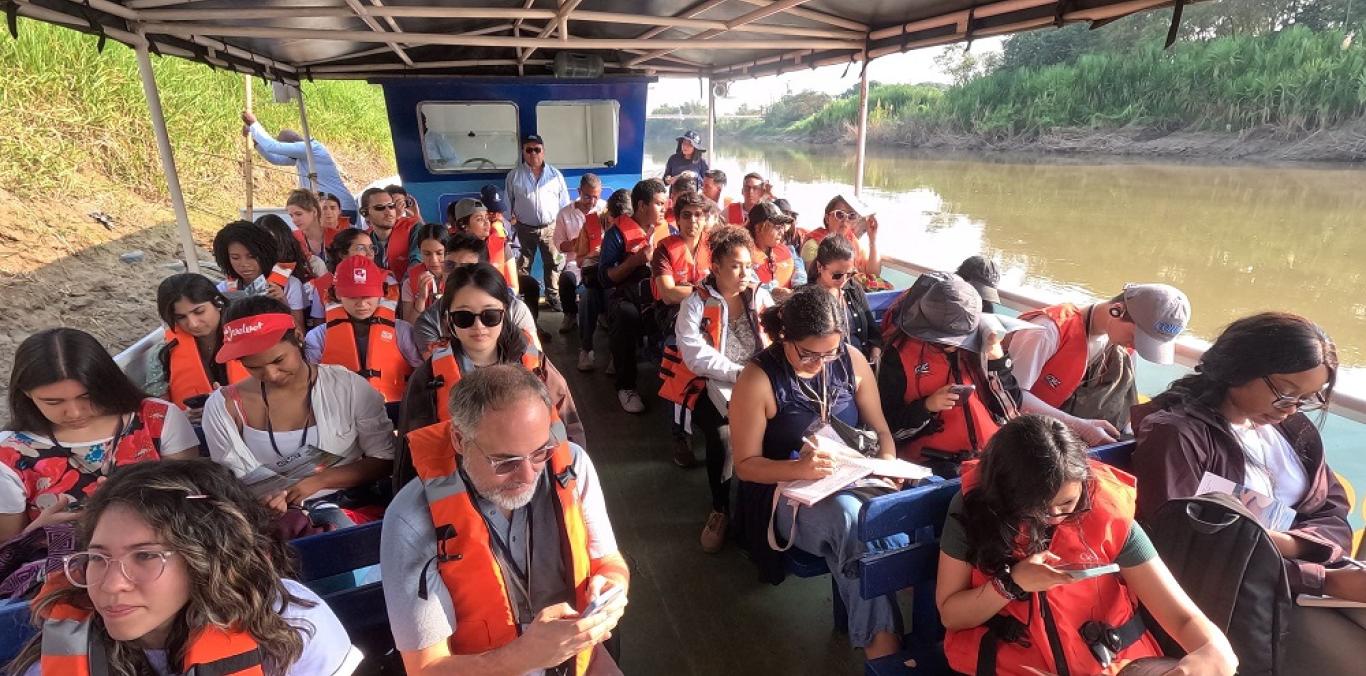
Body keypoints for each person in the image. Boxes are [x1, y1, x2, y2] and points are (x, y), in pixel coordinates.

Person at [1131, 312, 1363, 671]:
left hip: (1304, 572)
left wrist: (1291, 545)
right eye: (1285, 394)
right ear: (1240, 367)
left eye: (1305, 399)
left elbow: (1332, 513)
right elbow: (1185, 554)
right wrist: (1324, 580)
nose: (1290, 410)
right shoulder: (1177, 435)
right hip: (1245, 602)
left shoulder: (1294, 434)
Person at [936, 415, 1237, 675]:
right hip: (1020, 667)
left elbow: (1182, 616)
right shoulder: (973, 510)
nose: (1053, 517)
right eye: (1036, 507)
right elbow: (951, 614)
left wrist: (1215, 649)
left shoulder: (1106, 512)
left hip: (1112, 664)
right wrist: (1013, 584)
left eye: (1067, 502)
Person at [381, 365, 629, 675]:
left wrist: (613, 586)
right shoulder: (411, 521)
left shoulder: (573, 465)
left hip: (578, 663)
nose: (528, 476)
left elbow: (609, 561)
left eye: (540, 453)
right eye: (505, 461)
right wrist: (523, 657)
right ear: (459, 440)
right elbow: (425, 669)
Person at [8, 459, 361, 675]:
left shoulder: (291, 623)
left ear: (209, 560)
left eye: (145, 555)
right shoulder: (60, 652)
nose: (112, 585)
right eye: (98, 558)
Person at [729, 286, 905, 662]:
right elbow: (745, 466)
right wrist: (799, 469)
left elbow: (883, 432)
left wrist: (888, 466)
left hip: (854, 477)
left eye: (829, 353)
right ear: (784, 336)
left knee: (929, 499)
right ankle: (883, 646)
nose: (820, 363)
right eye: (808, 353)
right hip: (784, 491)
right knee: (851, 523)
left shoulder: (851, 360)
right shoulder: (757, 379)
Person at [201, 296, 396, 530]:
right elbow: (232, 481)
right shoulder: (223, 407)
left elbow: (385, 460)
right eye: (254, 367)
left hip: (350, 507)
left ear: (299, 337)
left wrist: (319, 481)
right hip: (265, 520)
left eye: (278, 360)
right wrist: (266, 502)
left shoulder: (347, 387)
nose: (271, 374)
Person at [1, 329, 199, 541]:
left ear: (106, 383)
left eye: (86, 396)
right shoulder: (9, 455)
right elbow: (7, 549)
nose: (75, 412)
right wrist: (36, 533)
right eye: (53, 402)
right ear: (26, 393)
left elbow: (194, 500)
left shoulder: (157, 419)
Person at [397, 263, 585, 448]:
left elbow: (570, 431)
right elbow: (411, 449)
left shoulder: (537, 366)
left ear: (504, 313)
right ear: (448, 320)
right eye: (464, 317)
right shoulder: (427, 380)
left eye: (490, 315)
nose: (479, 326)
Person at [665, 226, 771, 552]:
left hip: (759, 381)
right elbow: (694, 354)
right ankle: (720, 508)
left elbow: (777, 339)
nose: (744, 273)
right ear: (717, 267)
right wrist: (739, 373)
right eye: (736, 266)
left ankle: (769, 506)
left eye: (748, 266)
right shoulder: (696, 303)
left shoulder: (760, 296)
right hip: (711, 384)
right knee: (723, 435)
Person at [877, 272, 1026, 474]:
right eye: (946, 339)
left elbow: (1010, 411)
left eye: (962, 338)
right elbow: (888, 430)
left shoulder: (984, 344)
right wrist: (927, 406)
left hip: (989, 457)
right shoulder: (898, 355)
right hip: (931, 465)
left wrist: (998, 365)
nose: (954, 345)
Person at [1007, 283, 1191, 442]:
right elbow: (1009, 394)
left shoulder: (1122, 349)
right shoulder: (1047, 331)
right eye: (1135, 337)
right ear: (1117, 310)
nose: (1136, 346)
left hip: (1064, 435)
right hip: (1019, 430)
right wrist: (1079, 426)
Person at [305, 255, 423, 404]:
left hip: (392, 412)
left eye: (368, 295)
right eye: (353, 297)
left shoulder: (402, 331)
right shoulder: (317, 337)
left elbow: (421, 375)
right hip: (340, 414)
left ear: (382, 293)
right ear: (337, 295)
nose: (362, 304)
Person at [412, 232, 538, 355]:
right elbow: (440, 370)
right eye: (450, 265)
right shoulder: (429, 323)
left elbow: (536, 363)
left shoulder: (514, 310)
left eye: (467, 267)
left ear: (485, 270)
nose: (455, 274)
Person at [599, 179, 664, 413]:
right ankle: (625, 386)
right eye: (658, 204)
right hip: (627, 296)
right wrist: (635, 261)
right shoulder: (615, 235)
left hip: (659, 294)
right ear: (642, 205)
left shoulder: (667, 232)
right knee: (626, 315)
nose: (664, 209)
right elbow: (605, 278)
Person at [144, 273, 247, 421]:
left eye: (199, 312)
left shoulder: (249, 335)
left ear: (218, 303)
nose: (193, 323)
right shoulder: (163, 353)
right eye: (181, 317)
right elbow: (157, 412)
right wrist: (183, 419)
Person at [506, 134, 571, 312]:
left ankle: (552, 296)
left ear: (543, 151)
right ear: (523, 152)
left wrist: (563, 228)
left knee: (553, 264)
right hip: (524, 229)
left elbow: (564, 203)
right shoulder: (514, 176)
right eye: (529, 150)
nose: (533, 153)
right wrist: (509, 226)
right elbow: (507, 203)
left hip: (551, 228)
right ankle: (523, 299)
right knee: (522, 265)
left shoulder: (555, 175)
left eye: (537, 149)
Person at [242, 111, 355, 213]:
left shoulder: (310, 148)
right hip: (329, 207)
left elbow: (273, 146)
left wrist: (254, 124)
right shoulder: (303, 157)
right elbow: (275, 159)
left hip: (342, 207)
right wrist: (256, 143)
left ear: (293, 146)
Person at [211, 220, 309, 332]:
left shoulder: (290, 285)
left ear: (264, 254)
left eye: (252, 256)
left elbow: (301, 333)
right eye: (235, 258)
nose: (244, 264)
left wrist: (283, 303)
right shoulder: (224, 289)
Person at [575, 189, 627, 372]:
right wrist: (596, 254)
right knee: (587, 296)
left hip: (620, 283)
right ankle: (586, 349)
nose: (620, 225)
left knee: (617, 297)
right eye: (616, 220)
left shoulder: (635, 227)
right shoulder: (590, 224)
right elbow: (579, 261)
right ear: (609, 214)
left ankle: (616, 353)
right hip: (593, 281)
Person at [809, 236, 878, 363]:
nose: (843, 280)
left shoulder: (853, 288)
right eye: (837, 275)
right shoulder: (807, 298)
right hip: (830, 366)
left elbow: (872, 328)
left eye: (850, 274)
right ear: (820, 266)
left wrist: (876, 352)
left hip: (861, 361)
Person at [553, 173, 606, 335]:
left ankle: (603, 314)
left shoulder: (604, 210)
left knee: (606, 278)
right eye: (587, 196)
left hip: (599, 260)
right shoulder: (564, 213)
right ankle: (570, 314)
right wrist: (581, 242)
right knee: (565, 280)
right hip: (575, 262)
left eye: (596, 197)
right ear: (578, 191)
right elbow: (560, 245)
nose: (592, 201)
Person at [256, 214, 324, 331]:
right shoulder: (246, 277)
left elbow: (312, 325)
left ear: (284, 241)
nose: (266, 248)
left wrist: (283, 302)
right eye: (260, 243)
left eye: (272, 241)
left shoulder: (313, 265)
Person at [799, 194, 882, 280]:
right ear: (827, 219)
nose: (845, 219)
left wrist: (873, 239)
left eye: (851, 215)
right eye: (840, 214)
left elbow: (873, 274)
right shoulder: (813, 246)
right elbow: (815, 281)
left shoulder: (853, 242)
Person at [746, 201, 797, 300]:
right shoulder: (744, 255)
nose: (781, 232)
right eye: (777, 227)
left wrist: (798, 288)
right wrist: (773, 291)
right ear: (758, 228)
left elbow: (799, 270)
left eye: (782, 227)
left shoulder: (786, 250)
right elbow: (747, 283)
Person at [401, 224, 449, 324]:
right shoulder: (409, 284)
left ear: (448, 251)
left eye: (439, 253)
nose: (434, 260)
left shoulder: (461, 277)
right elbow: (408, 326)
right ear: (420, 252)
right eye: (427, 254)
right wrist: (421, 299)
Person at [286, 188, 336, 273]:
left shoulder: (336, 236)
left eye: (298, 214)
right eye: (291, 216)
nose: (294, 220)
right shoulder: (292, 239)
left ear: (314, 211)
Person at [357, 187, 400, 269]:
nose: (388, 212)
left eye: (391, 206)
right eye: (380, 208)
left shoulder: (413, 229)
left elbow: (417, 262)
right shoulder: (361, 241)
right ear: (365, 213)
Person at [772, 198, 808, 287]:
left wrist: (797, 289)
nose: (782, 225)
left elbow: (799, 271)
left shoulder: (791, 247)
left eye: (786, 220)